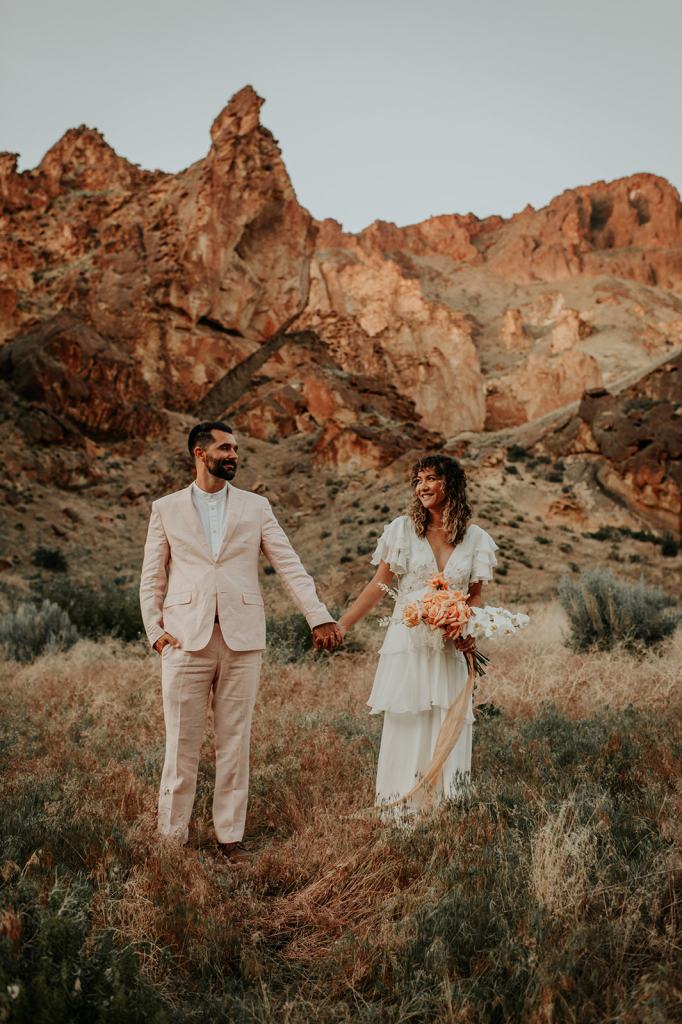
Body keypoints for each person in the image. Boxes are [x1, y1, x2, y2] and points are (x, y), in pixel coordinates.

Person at [139, 421, 342, 863]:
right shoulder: (166, 508)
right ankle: (172, 839)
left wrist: (319, 616)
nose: (233, 455)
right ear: (199, 453)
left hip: (242, 639)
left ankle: (230, 837)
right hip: (184, 641)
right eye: (225, 448)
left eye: (235, 449)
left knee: (235, 740)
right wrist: (156, 634)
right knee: (180, 745)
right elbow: (152, 576)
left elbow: (289, 564)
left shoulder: (256, 506)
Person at [337, 454, 497, 813]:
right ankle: (401, 810)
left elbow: (475, 595)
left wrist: (466, 627)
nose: (422, 486)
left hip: (449, 648)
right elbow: (380, 585)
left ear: (450, 484)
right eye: (418, 480)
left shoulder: (476, 539)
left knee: (448, 719)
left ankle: (444, 809)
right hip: (407, 645)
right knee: (408, 719)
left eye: (431, 478)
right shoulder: (402, 530)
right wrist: (342, 624)